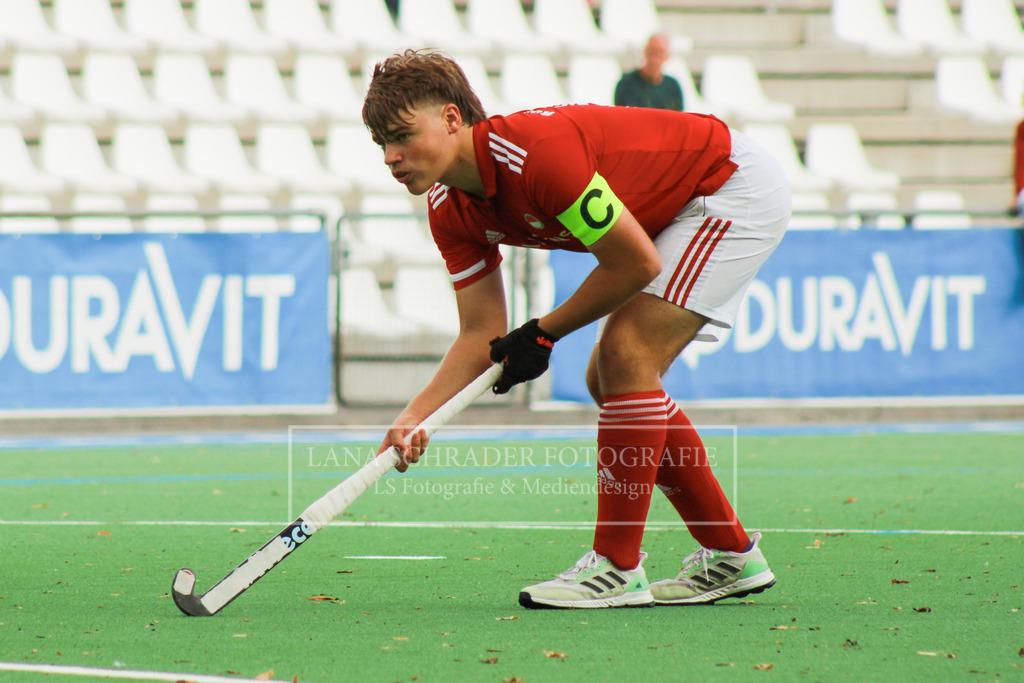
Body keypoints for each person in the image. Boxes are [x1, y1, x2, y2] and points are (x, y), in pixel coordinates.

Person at [363, 50, 789, 609]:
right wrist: (414, 416)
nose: (391, 158)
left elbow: (635, 263)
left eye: (401, 136)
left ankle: (616, 568)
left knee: (625, 355)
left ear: (450, 118)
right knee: (608, 379)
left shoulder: (535, 157)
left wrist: (542, 332)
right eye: (381, 145)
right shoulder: (449, 209)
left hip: (728, 185)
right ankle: (732, 555)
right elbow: (480, 333)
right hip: (673, 209)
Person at [614, 33, 684, 112]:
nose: (654, 59)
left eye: (659, 54)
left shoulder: (672, 85)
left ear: (667, 56)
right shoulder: (626, 84)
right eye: (651, 52)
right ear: (644, 52)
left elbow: (678, 118)